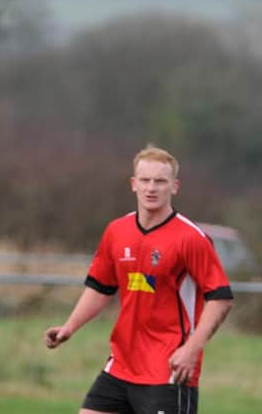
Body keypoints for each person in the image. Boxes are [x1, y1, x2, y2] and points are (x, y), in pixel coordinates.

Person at [43, 146, 234, 414]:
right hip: (121, 364)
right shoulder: (117, 231)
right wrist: (69, 327)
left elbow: (221, 299)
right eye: (145, 180)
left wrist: (192, 349)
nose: (151, 187)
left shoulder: (190, 238)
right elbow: (100, 288)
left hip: (168, 369)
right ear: (134, 184)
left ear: (174, 186)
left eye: (160, 181)